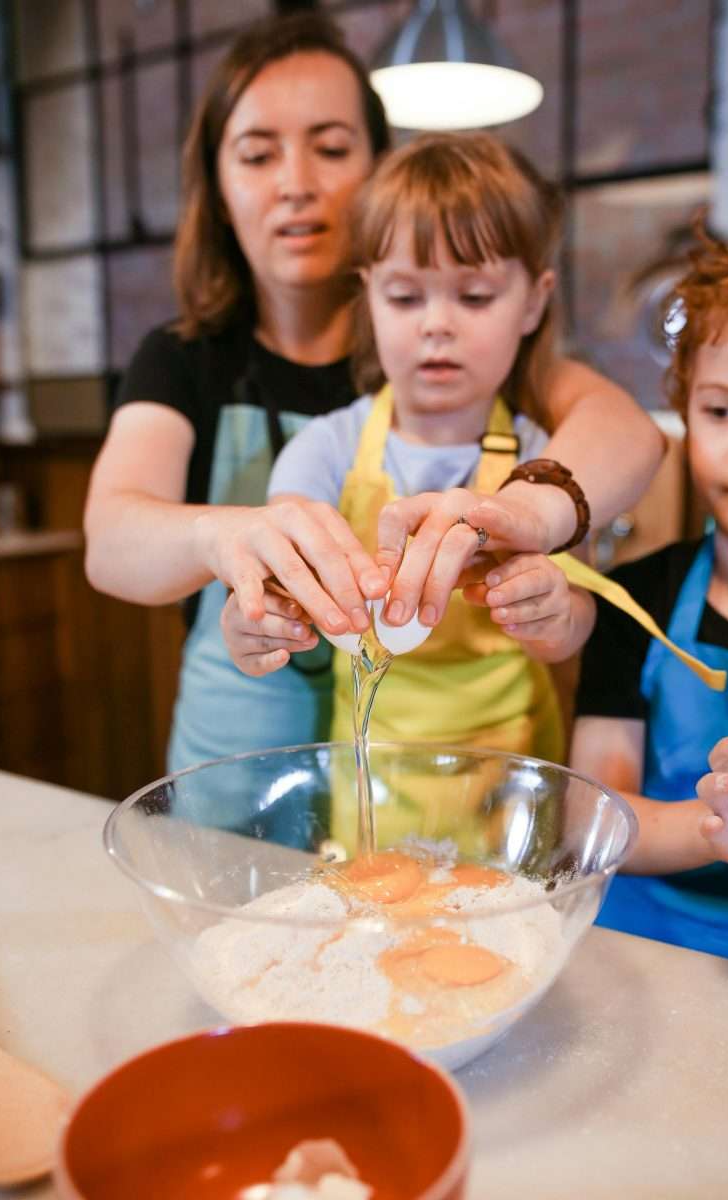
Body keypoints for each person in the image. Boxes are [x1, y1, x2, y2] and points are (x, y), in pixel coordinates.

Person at [84, 10, 663, 774]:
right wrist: (220, 537)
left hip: (417, 776)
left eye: (331, 147)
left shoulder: (468, 361)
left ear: (379, 172)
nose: (296, 183)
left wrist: (520, 515)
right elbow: (111, 540)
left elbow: (628, 433)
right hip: (232, 769)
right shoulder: (184, 357)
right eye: (258, 155)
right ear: (219, 191)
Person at [261, 131, 599, 777]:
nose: (436, 324)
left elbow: (577, 623)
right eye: (405, 296)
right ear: (368, 297)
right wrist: (262, 619)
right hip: (374, 782)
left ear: (533, 300)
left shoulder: (542, 461)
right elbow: (281, 577)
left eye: (473, 296)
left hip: (513, 780)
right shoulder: (325, 451)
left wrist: (559, 615)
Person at [570, 230, 728, 969]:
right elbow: (591, 814)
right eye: (723, 412)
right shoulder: (638, 600)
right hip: (643, 940)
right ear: (685, 412)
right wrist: (716, 826)